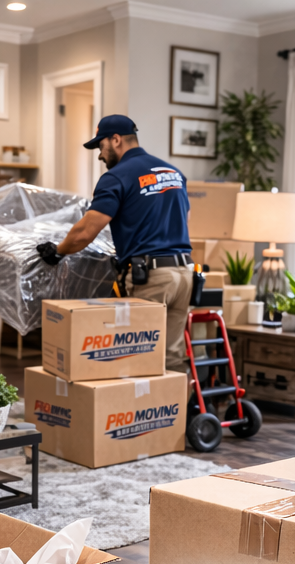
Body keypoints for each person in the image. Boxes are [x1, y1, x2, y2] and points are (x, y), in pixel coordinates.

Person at [36, 114, 195, 376]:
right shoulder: (173, 173)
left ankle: (137, 412)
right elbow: (185, 219)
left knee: (141, 355)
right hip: (184, 274)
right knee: (171, 356)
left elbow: (86, 231)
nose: (100, 155)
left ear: (116, 140)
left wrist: (58, 251)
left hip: (152, 278)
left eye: (101, 147)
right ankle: (179, 414)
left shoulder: (117, 177)